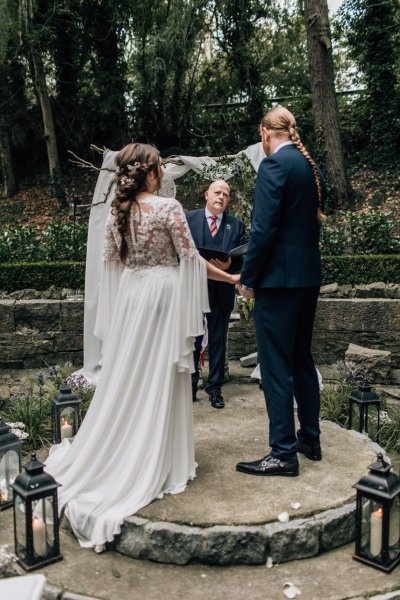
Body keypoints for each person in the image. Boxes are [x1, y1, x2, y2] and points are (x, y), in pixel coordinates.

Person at [45, 143, 239, 552]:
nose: (164, 173)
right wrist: (234, 280)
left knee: (129, 376)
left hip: (132, 300)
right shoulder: (168, 209)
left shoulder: (118, 211)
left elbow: (111, 266)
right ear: (150, 172)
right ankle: (157, 459)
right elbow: (191, 260)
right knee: (159, 377)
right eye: (161, 168)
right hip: (164, 299)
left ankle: (122, 447)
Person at [236, 106, 326, 478]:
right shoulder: (308, 167)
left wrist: (248, 277)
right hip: (306, 278)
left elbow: (263, 230)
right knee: (301, 358)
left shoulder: (273, 166)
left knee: (275, 365)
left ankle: (283, 453)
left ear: (265, 133)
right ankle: (310, 438)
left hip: (278, 281)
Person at [186, 180, 245, 409]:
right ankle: (190, 385)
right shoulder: (189, 219)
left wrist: (230, 263)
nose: (221, 197)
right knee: (193, 338)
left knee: (218, 340)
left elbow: (242, 258)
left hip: (222, 290)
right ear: (207, 195)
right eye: (217, 192)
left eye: (226, 194)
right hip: (194, 288)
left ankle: (215, 389)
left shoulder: (236, 225)